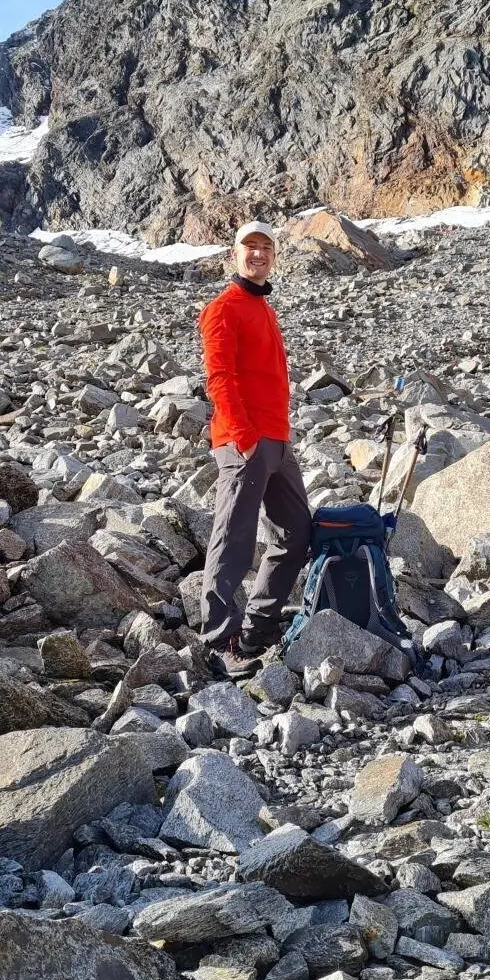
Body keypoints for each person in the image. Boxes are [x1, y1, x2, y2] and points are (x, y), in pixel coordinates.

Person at [196, 221, 311, 678]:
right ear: (234, 254)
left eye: (266, 247)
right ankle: (219, 641)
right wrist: (244, 437)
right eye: (250, 247)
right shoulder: (223, 308)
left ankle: (258, 628)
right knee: (234, 537)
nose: (258, 254)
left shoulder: (263, 307)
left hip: (276, 440)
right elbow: (219, 377)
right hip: (245, 440)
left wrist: (275, 436)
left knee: (296, 531)